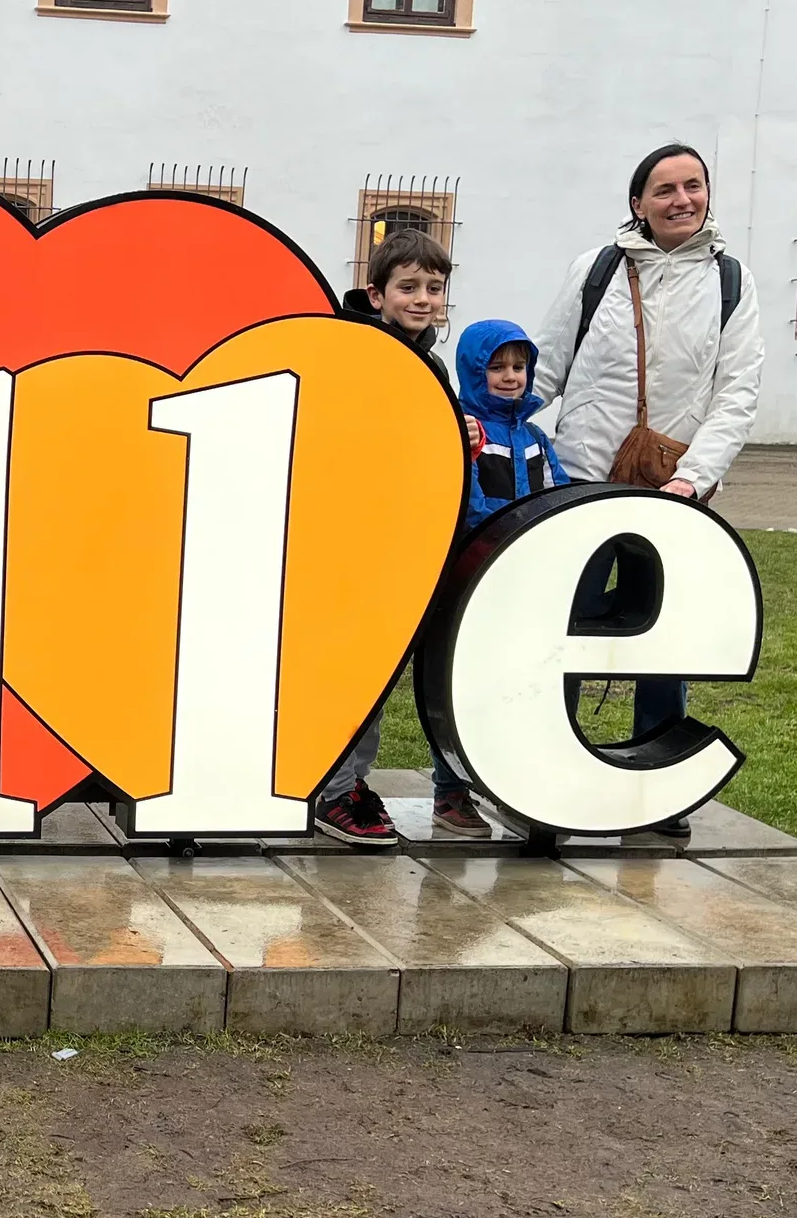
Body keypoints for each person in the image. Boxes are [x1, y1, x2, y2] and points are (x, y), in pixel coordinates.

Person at [529, 143, 765, 840]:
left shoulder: (730, 281)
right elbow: (548, 364)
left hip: (674, 488)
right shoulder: (598, 269)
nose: (682, 200)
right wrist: (492, 420)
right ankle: (549, 767)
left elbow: (737, 390)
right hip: (583, 478)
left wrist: (697, 473)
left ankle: (655, 781)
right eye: (665, 189)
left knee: (664, 635)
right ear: (638, 203)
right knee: (569, 625)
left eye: (694, 186)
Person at [310, 228, 473, 845]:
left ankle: (347, 782)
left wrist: (457, 437)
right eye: (409, 287)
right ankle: (333, 790)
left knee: (375, 673)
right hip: (353, 537)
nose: (423, 299)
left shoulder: (429, 361)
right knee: (351, 671)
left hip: (402, 539)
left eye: (434, 287)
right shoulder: (361, 353)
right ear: (376, 294)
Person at [427, 319, 573, 836]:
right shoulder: (467, 431)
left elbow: (558, 492)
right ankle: (450, 792)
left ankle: (511, 788)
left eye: (519, 366)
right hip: (474, 576)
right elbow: (465, 501)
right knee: (464, 686)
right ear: (473, 370)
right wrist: (513, 529)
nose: (511, 377)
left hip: (524, 580)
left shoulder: (534, 437)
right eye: (496, 367)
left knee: (518, 683)